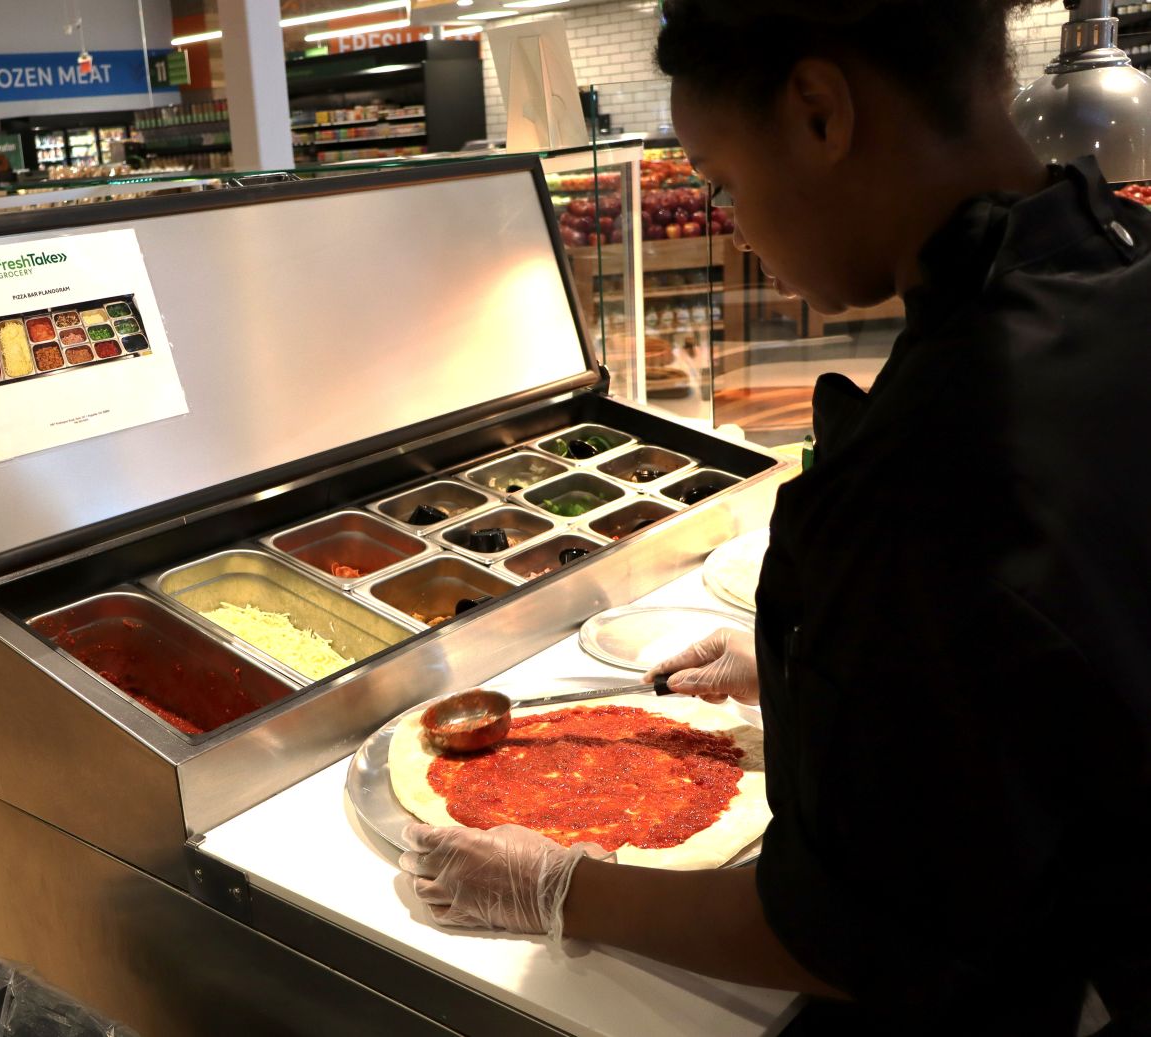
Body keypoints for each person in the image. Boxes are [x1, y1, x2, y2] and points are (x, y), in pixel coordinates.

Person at [398, 1, 1151, 1033]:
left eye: (720, 180)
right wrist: (847, 660)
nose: (731, 224)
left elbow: (846, 932)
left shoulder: (928, 464)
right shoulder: (1116, 250)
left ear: (815, 113)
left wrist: (556, 889)